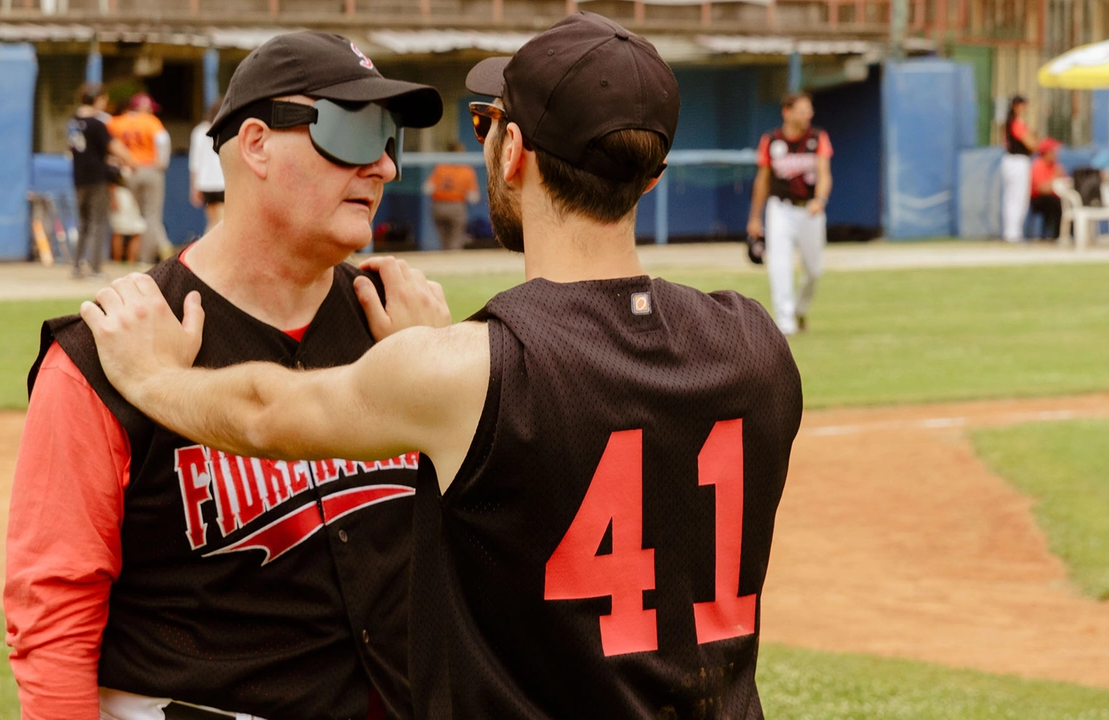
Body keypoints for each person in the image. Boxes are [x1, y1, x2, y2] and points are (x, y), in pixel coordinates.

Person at [79, 12, 802, 719]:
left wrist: (153, 379)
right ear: (650, 179)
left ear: (513, 152)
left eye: (487, 125)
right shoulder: (756, 343)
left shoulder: (471, 370)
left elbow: (268, 414)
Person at [4, 31, 446, 720]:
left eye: (390, 137)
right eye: (355, 130)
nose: (385, 166)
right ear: (259, 144)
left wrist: (443, 380)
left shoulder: (407, 330)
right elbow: (53, 620)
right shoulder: (109, 349)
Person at [747, 92, 833, 336]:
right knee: (779, 264)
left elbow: (824, 174)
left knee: (814, 270)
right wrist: (754, 218)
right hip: (780, 208)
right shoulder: (772, 140)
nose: (809, 114)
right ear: (787, 112)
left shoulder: (817, 138)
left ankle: (799, 309)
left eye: (809, 109)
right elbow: (762, 181)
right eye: (803, 109)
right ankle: (785, 323)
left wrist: (820, 199)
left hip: (810, 210)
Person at [66, 82, 138, 279]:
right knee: (98, 222)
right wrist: (133, 161)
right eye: (103, 99)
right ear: (96, 99)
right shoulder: (97, 123)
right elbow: (114, 146)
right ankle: (95, 268)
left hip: (78, 178)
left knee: (84, 223)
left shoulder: (73, 121)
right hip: (96, 178)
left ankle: (77, 266)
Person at [108, 92, 173, 264]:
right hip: (149, 168)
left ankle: (156, 248)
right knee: (151, 216)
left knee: (135, 217)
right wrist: (162, 162)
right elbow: (163, 141)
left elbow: (108, 145)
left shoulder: (116, 122)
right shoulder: (150, 121)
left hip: (126, 172)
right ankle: (146, 258)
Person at [422, 141, 480, 250]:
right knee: (455, 240)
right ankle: (453, 260)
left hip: (438, 206)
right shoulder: (466, 170)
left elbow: (427, 189)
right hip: (456, 206)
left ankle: (445, 259)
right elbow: (473, 198)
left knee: (444, 240)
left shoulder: (441, 167)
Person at [1002, 94, 1038, 242]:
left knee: (1012, 198)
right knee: (1017, 198)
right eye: (1024, 105)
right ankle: (1013, 233)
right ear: (1017, 106)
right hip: (1017, 162)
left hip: (1012, 161)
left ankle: (1012, 232)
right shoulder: (1017, 123)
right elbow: (1032, 145)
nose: (1026, 109)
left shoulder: (1011, 122)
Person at [190, 99, 226, 233]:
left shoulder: (200, 131)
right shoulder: (226, 128)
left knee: (212, 222)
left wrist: (194, 187)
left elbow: (195, 162)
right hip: (223, 181)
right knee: (222, 223)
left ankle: (204, 248)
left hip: (205, 183)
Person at [1030, 137, 1066, 240]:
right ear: (1046, 152)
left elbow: (1063, 184)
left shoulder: (1056, 165)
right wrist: (1055, 178)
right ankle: (1053, 236)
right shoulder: (1038, 165)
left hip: (1054, 197)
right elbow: (1042, 189)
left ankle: (1065, 235)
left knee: (1064, 204)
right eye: (1053, 151)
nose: (1056, 154)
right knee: (1054, 204)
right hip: (1039, 199)